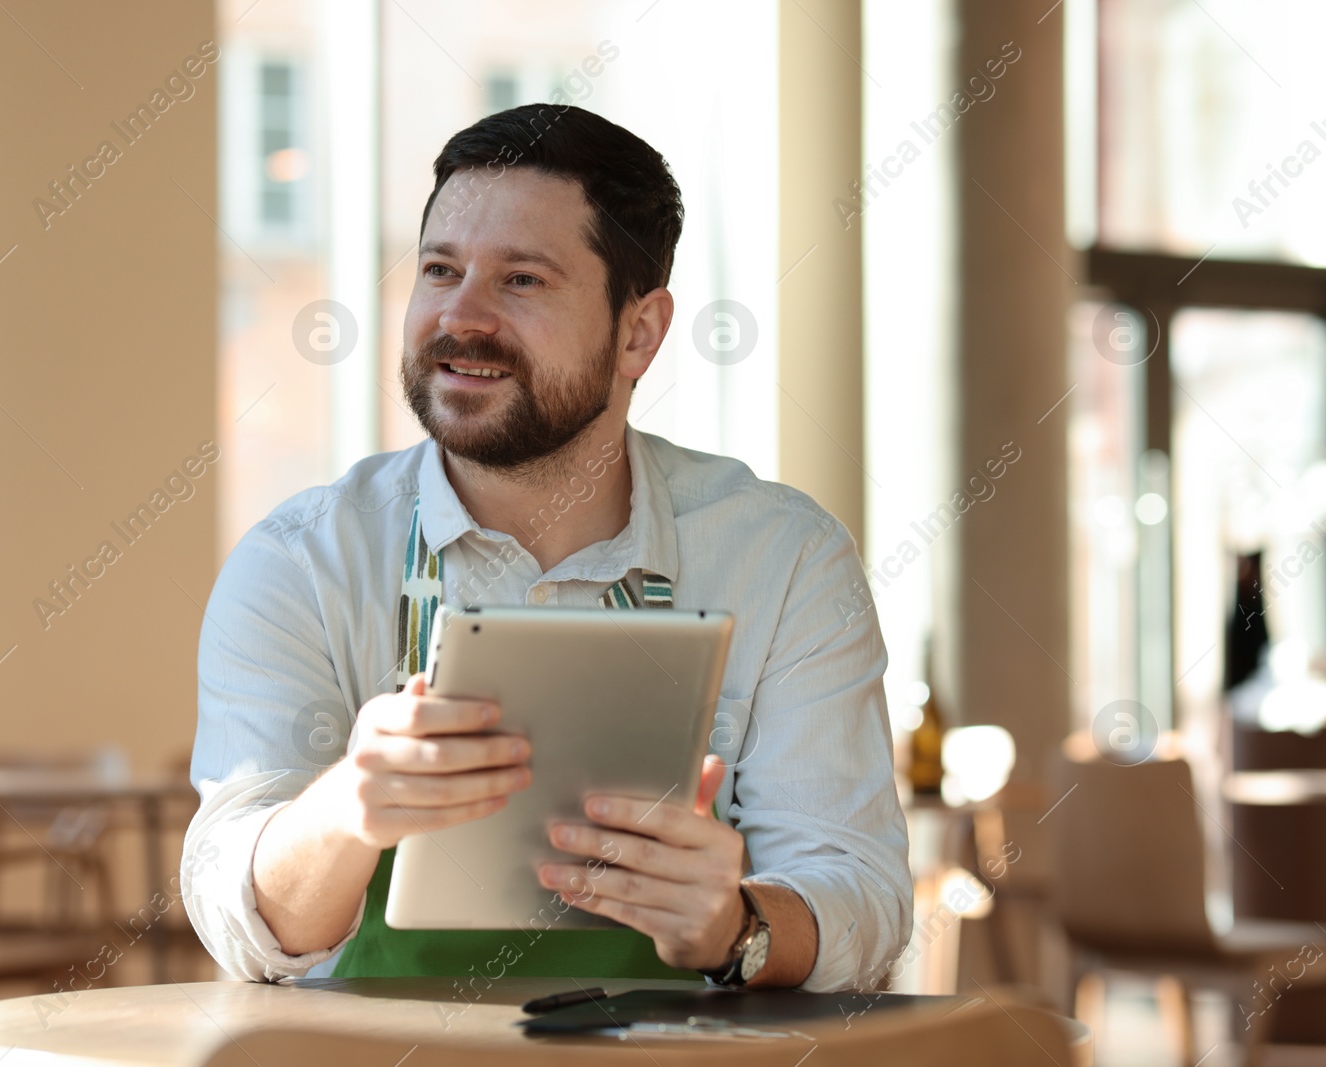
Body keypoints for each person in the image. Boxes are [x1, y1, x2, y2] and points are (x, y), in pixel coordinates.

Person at [182, 104, 910, 990]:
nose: (463, 316)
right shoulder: (300, 562)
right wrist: (343, 811)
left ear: (638, 332)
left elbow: (861, 894)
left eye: (522, 280)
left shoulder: (785, 558)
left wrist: (737, 926)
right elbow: (241, 920)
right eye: (440, 269)